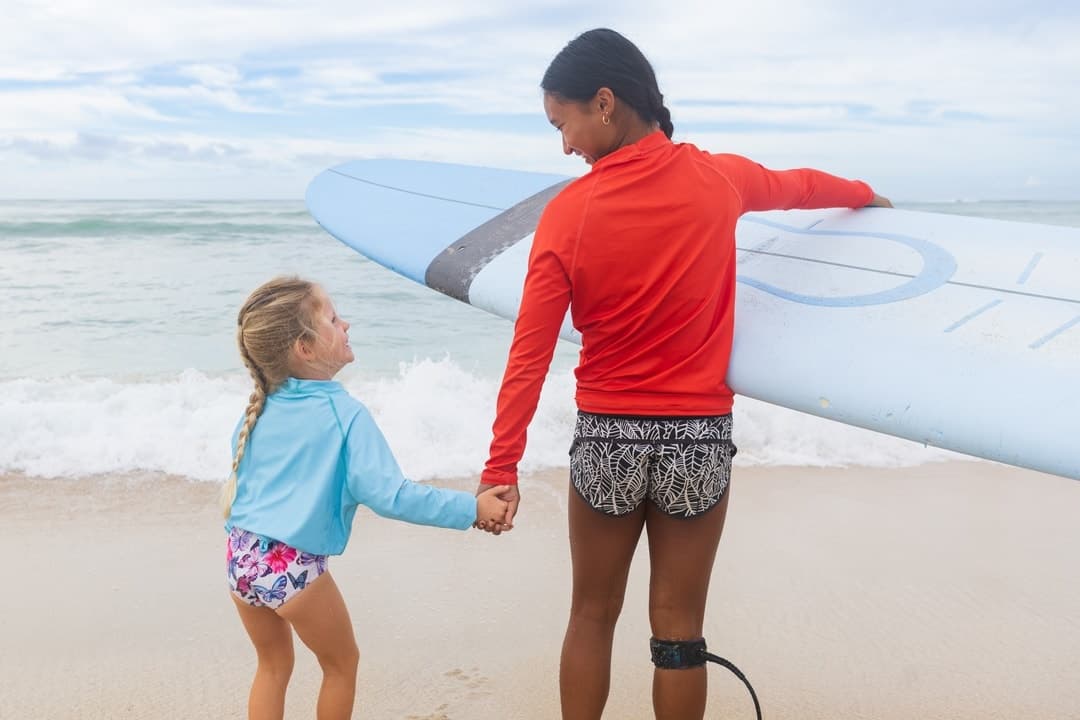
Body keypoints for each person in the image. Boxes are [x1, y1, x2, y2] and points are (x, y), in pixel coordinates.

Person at [473, 28, 892, 720]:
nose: (565, 145)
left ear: (604, 102)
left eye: (563, 123)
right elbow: (798, 188)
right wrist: (865, 197)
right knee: (678, 633)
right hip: (696, 440)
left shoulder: (568, 214)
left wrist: (501, 467)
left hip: (608, 440)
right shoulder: (717, 178)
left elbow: (531, 351)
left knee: (591, 616)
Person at [221, 276, 511, 720]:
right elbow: (391, 495)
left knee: (273, 666)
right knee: (341, 665)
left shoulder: (258, 409)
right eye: (334, 319)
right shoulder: (344, 413)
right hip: (293, 567)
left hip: (240, 557)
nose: (346, 323)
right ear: (305, 347)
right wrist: (472, 508)